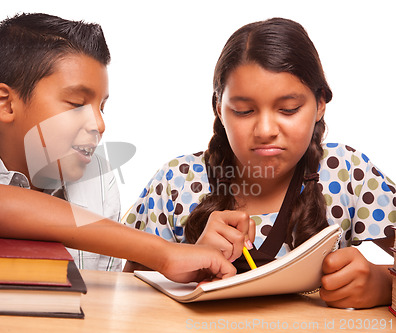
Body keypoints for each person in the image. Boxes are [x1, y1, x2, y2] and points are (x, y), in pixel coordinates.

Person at [0, 13, 236, 283]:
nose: (99, 125)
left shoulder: (96, 178)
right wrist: (161, 252)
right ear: (5, 103)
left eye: (102, 107)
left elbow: (104, 291)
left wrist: (183, 266)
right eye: (76, 104)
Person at [124, 17, 395, 308]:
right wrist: (184, 267)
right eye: (243, 111)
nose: (265, 130)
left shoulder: (349, 174)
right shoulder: (175, 182)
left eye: (288, 109)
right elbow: (125, 294)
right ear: (219, 108)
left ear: (320, 105)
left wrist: (384, 284)